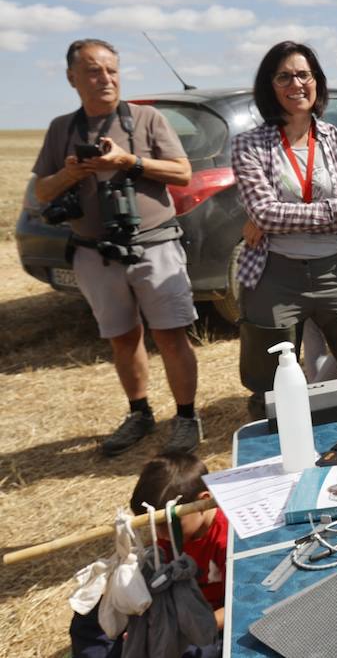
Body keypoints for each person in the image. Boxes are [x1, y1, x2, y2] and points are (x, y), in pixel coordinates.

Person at [32, 39, 202, 456]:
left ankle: (185, 419)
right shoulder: (62, 129)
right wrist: (72, 173)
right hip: (94, 251)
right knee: (122, 339)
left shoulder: (146, 118)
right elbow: (41, 190)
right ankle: (139, 414)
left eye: (111, 70)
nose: (105, 78)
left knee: (171, 335)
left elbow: (182, 173)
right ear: (72, 78)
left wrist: (130, 163)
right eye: (93, 70)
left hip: (154, 245)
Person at [232, 41, 337, 415]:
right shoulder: (249, 145)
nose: (296, 83)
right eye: (284, 76)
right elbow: (265, 213)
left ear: (317, 82)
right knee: (269, 387)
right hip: (273, 277)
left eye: (303, 74)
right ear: (269, 86)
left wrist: (276, 215)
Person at [70, 451, 228, 658]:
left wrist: (178, 628)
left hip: (203, 620)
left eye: (164, 525)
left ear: (202, 502)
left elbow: (236, 606)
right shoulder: (169, 532)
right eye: (152, 525)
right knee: (91, 614)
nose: (160, 533)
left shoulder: (226, 540)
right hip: (167, 602)